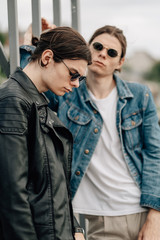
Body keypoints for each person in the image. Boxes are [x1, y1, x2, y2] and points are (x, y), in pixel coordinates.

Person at [20, 25, 160, 240]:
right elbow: (30, 86)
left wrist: (155, 216)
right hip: (90, 215)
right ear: (88, 48)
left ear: (120, 62)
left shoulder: (139, 95)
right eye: (98, 46)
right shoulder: (66, 94)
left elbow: (154, 154)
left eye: (112, 52)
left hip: (134, 210)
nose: (103, 53)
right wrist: (30, 45)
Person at [0, 26, 91, 240]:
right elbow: (12, 195)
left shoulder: (40, 105)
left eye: (81, 78)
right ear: (47, 57)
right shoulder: (14, 102)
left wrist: (74, 228)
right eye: (73, 74)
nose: (76, 84)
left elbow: (51, 187)